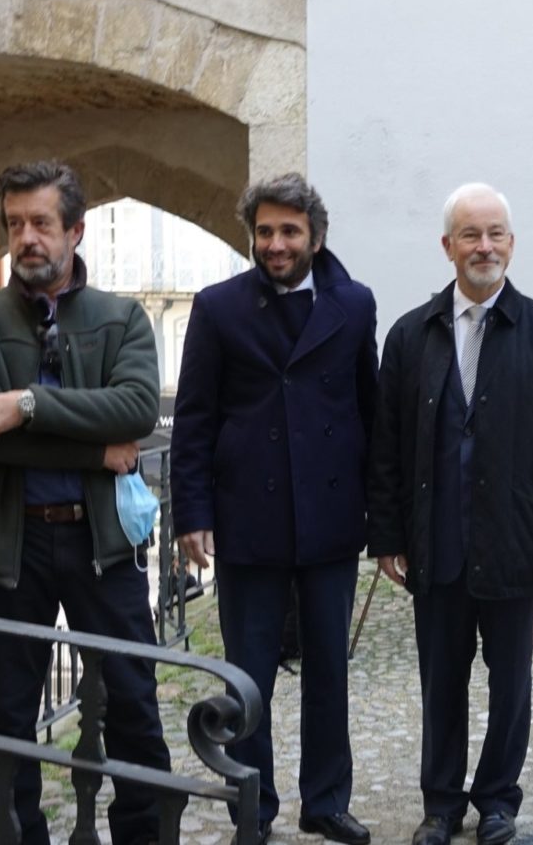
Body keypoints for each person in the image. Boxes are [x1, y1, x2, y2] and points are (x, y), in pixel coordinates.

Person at [0, 160, 168, 845]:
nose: (26, 237)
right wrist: (93, 451)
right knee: (8, 720)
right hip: (7, 548)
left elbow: (136, 409)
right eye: (14, 224)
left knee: (133, 702)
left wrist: (26, 406)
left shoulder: (120, 318)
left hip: (102, 543)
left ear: (75, 230)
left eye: (41, 222)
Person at [367, 183, 533, 845]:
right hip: (436, 543)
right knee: (441, 682)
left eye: (495, 234)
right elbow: (387, 447)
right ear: (448, 246)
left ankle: (497, 799)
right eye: (470, 234)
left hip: (516, 542)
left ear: (511, 245)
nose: (484, 246)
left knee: (510, 683)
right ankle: (441, 804)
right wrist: (387, 535)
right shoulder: (411, 336)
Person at [170, 173, 377, 845]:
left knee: (329, 670)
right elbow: (194, 420)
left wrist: (382, 516)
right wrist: (191, 513)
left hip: (330, 515)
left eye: (290, 231)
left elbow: (368, 411)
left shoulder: (355, 304)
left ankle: (326, 802)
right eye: (265, 232)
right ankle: (251, 808)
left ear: (315, 235)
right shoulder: (218, 307)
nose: (276, 244)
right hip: (246, 517)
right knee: (247, 676)